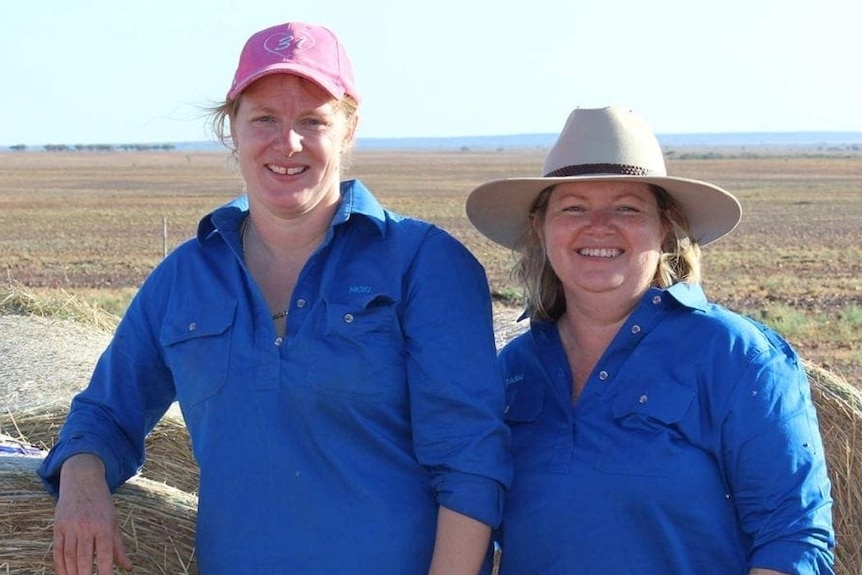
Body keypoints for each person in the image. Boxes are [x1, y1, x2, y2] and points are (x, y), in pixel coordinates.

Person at [38, 21, 511, 575]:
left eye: (313, 121)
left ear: (348, 130)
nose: (287, 143)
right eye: (264, 118)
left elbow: (470, 461)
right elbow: (103, 414)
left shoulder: (422, 263)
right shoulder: (185, 277)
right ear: (231, 127)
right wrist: (82, 482)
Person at [465, 106, 836, 574]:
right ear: (541, 229)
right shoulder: (513, 368)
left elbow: (793, 537)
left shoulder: (735, 357)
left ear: (666, 228)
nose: (598, 225)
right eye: (573, 207)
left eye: (627, 208)